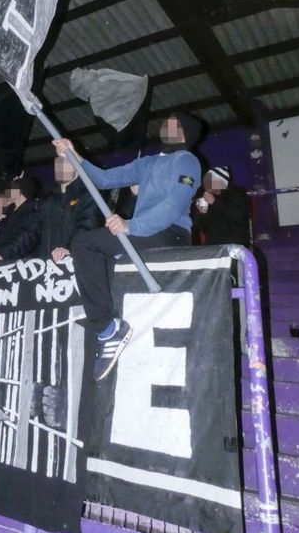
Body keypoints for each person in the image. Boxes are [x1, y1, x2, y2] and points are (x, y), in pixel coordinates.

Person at [54, 110, 202, 381]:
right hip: (145, 231)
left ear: (185, 133)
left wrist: (132, 226)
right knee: (100, 254)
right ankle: (111, 326)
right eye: (166, 121)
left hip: (171, 232)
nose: (166, 125)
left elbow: (174, 205)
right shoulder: (146, 164)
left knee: (85, 243)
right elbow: (103, 179)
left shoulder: (187, 161)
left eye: (174, 123)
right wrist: (73, 156)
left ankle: (107, 330)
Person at [37, 154, 101, 261]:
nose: (60, 167)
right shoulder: (48, 198)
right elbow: (32, 229)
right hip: (46, 264)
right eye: (58, 164)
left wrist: (68, 249)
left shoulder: (88, 194)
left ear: (77, 166)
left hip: (76, 260)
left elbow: (87, 225)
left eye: (66, 162)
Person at [0, 176, 41, 266]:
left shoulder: (33, 211)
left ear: (20, 191)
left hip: (22, 265)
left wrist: (2, 253)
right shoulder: (8, 213)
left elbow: (26, 237)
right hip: (0, 261)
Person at [195, 166, 251, 247]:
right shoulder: (211, 198)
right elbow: (205, 229)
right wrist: (202, 213)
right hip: (214, 248)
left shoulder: (237, 194)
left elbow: (236, 215)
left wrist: (214, 202)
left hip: (234, 247)